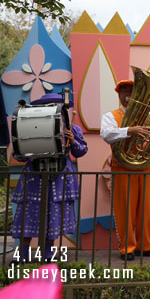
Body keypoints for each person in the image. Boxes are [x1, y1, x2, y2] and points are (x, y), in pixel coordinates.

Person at [100, 79, 150, 260]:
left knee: (145, 207)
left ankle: (146, 246)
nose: (127, 94)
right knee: (124, 208)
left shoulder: (147, 114)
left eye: (131, 91)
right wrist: (129, 130)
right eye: (123, 91)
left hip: (144, 166)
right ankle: (127, 248)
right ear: (119, 95)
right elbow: (106, 134)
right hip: (122, 167)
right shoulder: (111, 116)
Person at [11, 93, 87, 262]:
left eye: (57, 105)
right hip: (34, 178)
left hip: (59, 178)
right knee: (27, 215)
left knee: (54, 214)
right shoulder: (31, 125)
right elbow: (19, 155)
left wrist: (73, 141)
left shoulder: (71, 127)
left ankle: (47, 254)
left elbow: (81, 151)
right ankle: (21, 256)